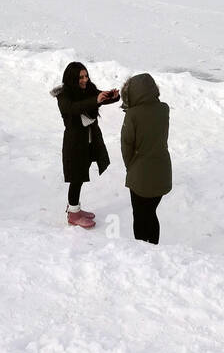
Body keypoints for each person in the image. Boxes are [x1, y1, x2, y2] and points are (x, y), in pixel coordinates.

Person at [50, 61, 120, 228]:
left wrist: (112, 96)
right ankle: (73, 214)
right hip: (75, 143)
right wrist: (96, 99)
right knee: (76, 177)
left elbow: (98, 98)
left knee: (80, 176)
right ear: (72, 78)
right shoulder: (64, 96)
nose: (85, 79)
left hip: (89, 141)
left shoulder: (88, 89)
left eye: (86, 75)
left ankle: (75, 208)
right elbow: (74, 108)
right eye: (81, 77)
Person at [119, 73, 171, 244]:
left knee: (140, 216)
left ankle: (142, 251)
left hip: (140, 176)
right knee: (151, 213)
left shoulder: (132, 115)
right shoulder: (164, 109)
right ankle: (154, 248)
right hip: (163, 172)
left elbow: (126, 145)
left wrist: (131, 168)